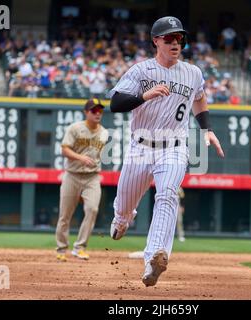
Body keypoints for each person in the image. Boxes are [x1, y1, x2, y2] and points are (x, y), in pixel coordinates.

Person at [108, 16, 224, 287]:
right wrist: (143, 97)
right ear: (156, 41)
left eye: (179, 38)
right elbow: (114, 103)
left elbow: (199, 98)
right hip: (141, 147)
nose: (175, 42)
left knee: (168, 195)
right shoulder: (141, 71)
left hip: (174, 148)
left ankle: (154, 259)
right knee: (124, 206)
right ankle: (122, 219)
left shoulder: (193, 73)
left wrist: (207, 129)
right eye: (169, 38)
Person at [55, 98, 109, 262]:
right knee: (65, 215)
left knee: (92, 209)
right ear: (86, 112)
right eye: (94, 110)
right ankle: (62, 249)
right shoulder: (75, 128)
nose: (97, 113)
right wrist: (80, 158)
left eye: (100, 110)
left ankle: (80, 248)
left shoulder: (105, 133)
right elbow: (64, 149)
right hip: (72, 175)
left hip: (92, 177)